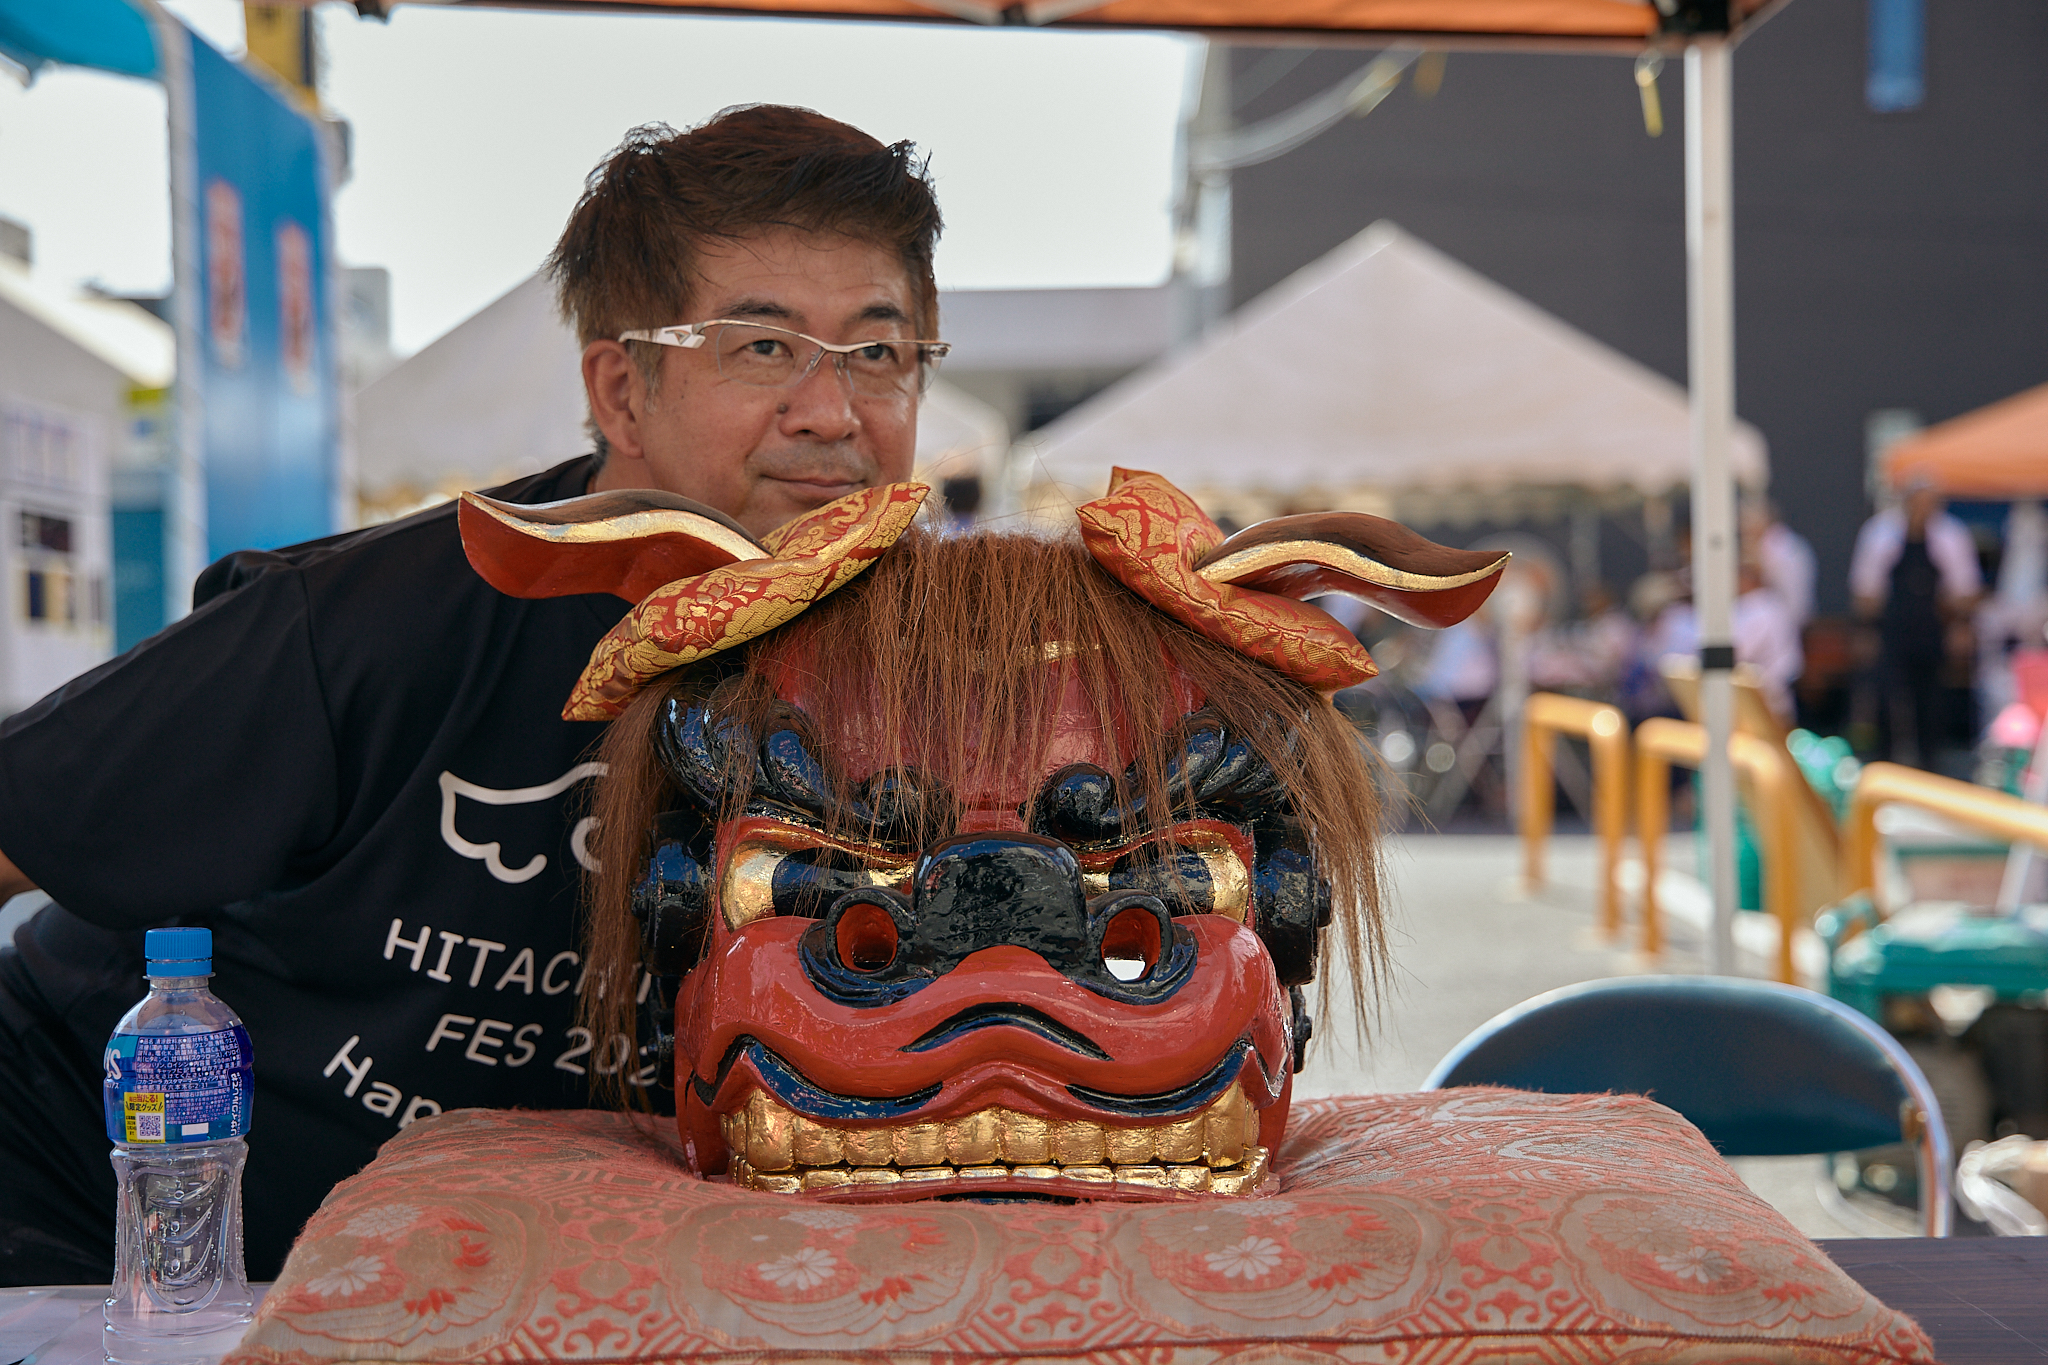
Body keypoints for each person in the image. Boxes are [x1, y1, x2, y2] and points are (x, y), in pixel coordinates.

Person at [0, 105, 945, 1284]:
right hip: (101, 1212)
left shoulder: (943, 676)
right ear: (620, 389)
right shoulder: (383, 618)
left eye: (877, 352)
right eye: (762, 349)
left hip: (544, 1272)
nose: (832, 412)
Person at [1849, 479, 1983, 767]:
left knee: (1931, 702)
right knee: (1886, 698)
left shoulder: (1951, 535)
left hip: (1933, 628)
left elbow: (1966, 591)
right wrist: (1868, 630)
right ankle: (1884, 765)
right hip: (1891, 629)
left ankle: (1929, 766)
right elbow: (1865, 593)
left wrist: (1958, 622)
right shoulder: (1879, 533)